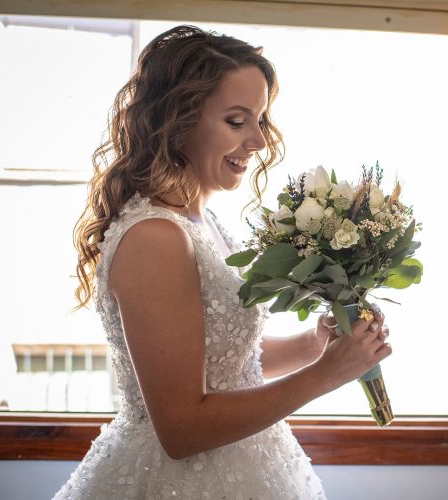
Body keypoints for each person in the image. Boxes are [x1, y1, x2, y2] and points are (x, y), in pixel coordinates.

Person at [56, 24, 391, 499]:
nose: (258, 140)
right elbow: (181, 430)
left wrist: (316, 343)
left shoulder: (200, 221)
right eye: (237, 121)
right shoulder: (156, 238)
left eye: (259, 119)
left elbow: (227, 364)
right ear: (178, 121)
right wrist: (326, 375)